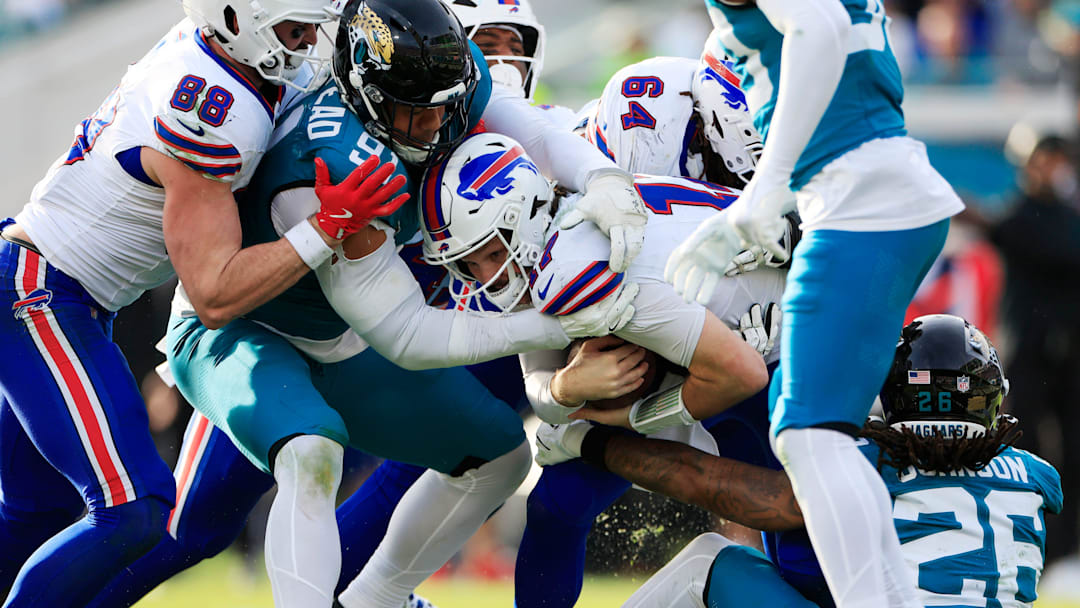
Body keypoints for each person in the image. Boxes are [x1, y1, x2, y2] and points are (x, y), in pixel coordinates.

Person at [88, 0, 645, 606]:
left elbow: (530, 127)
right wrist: (549, 320)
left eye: (445, 105)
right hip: (246, 329)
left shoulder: (436, 86)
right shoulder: (332, 164)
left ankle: (373, 599)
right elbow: (404, 334)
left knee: (500, 456)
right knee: (294, 463)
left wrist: (600, 178)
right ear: (367, 93)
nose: (438, 125)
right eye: (416, 111)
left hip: (341, 335)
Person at [0, 0, 413, 604]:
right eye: (292, 28)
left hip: (58, 291)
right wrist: (325, 228)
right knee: (133, 507)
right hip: (42, 293)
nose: (304, 43)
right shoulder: (212, 108)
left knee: (35, 518)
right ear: (234, 16)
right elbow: (214, 295)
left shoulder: (224, 54)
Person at [418, 131, 813, 606]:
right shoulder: (557, 233)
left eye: (495, 254)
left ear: (524, 217)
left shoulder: (583, 265)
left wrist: (626, 419)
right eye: (469, 264)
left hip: (774, 358)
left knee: (801, 555)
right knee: (556, 505)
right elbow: (541, 381)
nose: (488, 278)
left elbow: (740, 375)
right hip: (698, 359)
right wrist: (567, 388)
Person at [664, 2, 966, 605]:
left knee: (809, 435)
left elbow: (820, 26)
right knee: (808, 424)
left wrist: (765, 190)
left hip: (857, 192)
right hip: (871, 185)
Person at [537, 314, 1063, 608]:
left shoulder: (864, 460)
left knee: (709, 559)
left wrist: (592, 444)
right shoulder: (1040, 479)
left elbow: (703, 480)